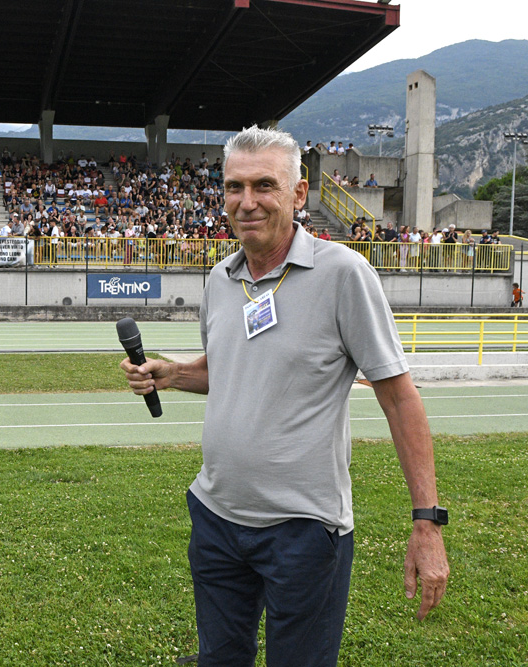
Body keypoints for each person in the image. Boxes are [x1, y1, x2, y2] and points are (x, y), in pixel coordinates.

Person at [119, 125, 449, 667]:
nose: (246, 202)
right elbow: (231, 370)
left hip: (304, 532)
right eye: (234, 187)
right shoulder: (221, 279)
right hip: (216, 517)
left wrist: (426, 522)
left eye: (264, 186)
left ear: (298, 195)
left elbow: (399, 399)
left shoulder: (344, 275)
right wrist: (172, 373)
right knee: (220, 659)